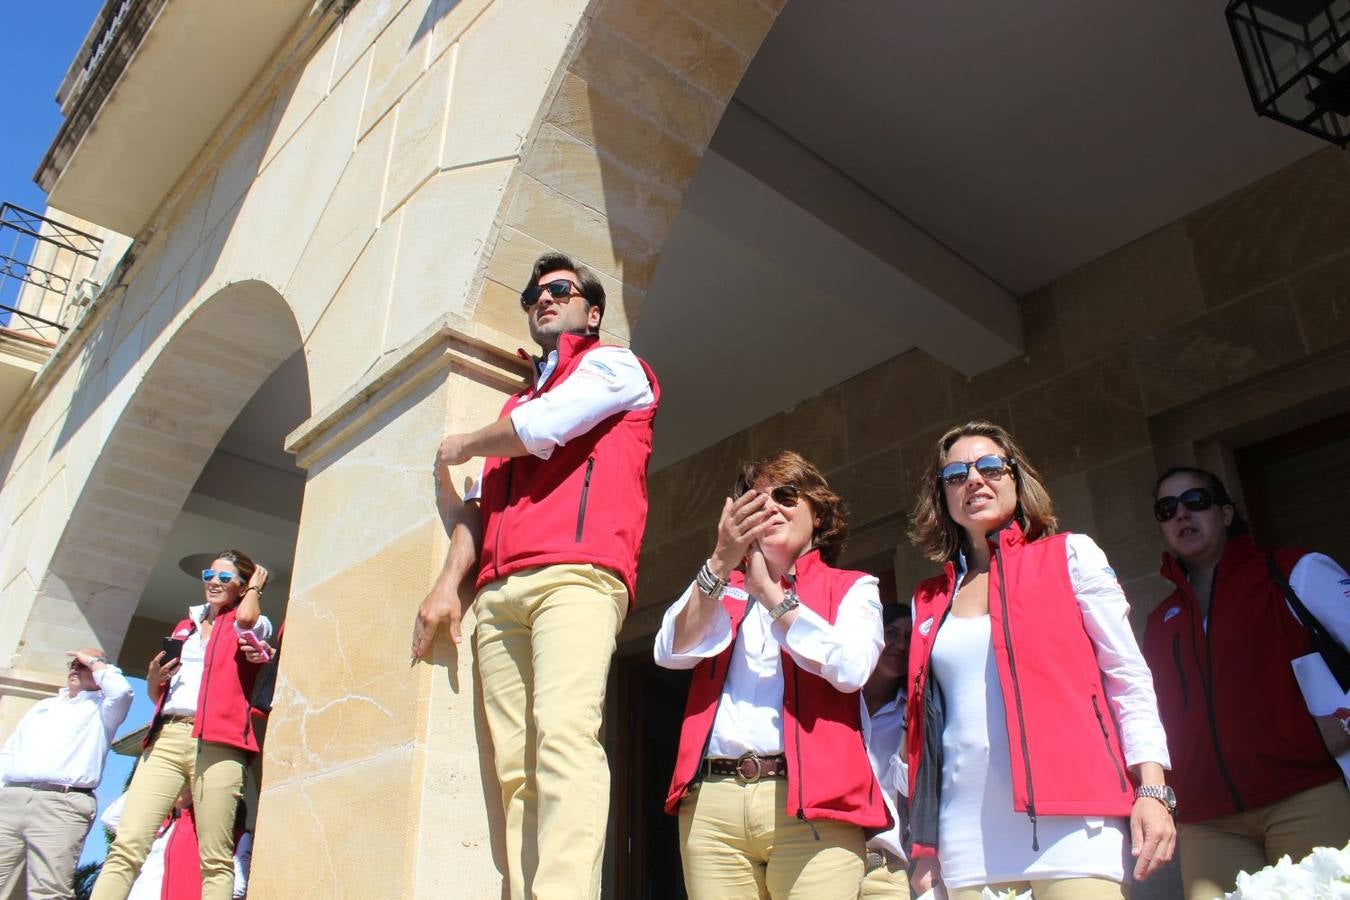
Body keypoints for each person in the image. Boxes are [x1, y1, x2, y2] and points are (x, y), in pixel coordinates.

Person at [410, 252, 660, 900]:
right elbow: (479, 506)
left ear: (591, 310)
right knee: (515, 768)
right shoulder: (516, 406)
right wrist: (447, 585)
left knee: (563, 736)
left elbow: (541, 429)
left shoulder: (613, 365)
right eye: (533, 294)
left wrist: (464, 441)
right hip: (496, 594)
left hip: (574, 578)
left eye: (559, 289)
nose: (542, 298)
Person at [905, 421, 1174, 900]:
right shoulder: (928, 600)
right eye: (955, 474)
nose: (974, 480)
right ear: (941, 496)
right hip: (966, 836)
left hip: (1075, 822)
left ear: (1015, 477)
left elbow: (1127, 676)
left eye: (989, 466)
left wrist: (1151, 788)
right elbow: (925, 734)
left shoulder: (1071, 555)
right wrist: (924, 843)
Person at [654, 450, 887, 899]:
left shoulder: (853, 587)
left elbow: (852, 667)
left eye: (785, 495)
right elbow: (671, 650)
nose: (770, 507)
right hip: (714, 803)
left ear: (817, 514)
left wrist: (772, 597)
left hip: (815, 806)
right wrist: (722, 561)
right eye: (756, 500)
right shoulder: (721, 584)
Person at [1142, 466, 1350, 900]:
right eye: (1167, 509)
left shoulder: (1293, 571)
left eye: (1195, 501)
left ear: (1226, 512)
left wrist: (1347, 721)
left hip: (1304, 794)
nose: (1181, 514)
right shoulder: (1160, 622)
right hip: (1207, 821)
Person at [92, 550, 272, 900]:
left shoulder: (249, 619)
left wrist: (256, 589)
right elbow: (162, 690)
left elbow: (248, 621)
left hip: (219, 742)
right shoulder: (186, 625)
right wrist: (153, 680)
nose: (213, 583)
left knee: (215, 859)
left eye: (224, 578)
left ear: (242, 585)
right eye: (209, 575)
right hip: (169, 735)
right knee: (127, 845)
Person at [0, 648, 133, 899]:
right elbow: (10, 750)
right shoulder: (44, 706)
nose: (75, 668)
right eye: (73, 664)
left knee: (49, 889)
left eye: (83, 665)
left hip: (61, 803)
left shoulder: (105, 707)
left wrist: (94, 662)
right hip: (12, 798)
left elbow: (122, 691)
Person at [861, 604, 911, 900]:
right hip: (824, 857)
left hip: (886, 867)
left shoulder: (913, 712)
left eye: (909, 637)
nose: (901, 645)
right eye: (891, 633)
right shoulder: (838, 699)